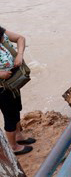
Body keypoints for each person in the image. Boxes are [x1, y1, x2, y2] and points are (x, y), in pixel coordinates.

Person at [0, 26, 34, 155]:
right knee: (9, 115)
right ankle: (13, 147)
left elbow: (20, 38)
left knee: (17, 108)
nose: (3, 37)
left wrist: (19, 55)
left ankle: (19, 136)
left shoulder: (1, 32)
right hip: (2, 87)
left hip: (13, 82)